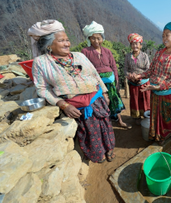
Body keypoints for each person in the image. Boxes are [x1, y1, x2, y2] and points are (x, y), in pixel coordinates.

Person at [29, 19, 116, 163]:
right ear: (49, 44)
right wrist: (63, 105)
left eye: (67, 40)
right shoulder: (41, 63)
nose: (67, 43)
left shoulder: (79, 56)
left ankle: (109, 147)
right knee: (90, 132)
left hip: (97, 99)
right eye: (61, 40)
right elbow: (42, 88)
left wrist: (105, 93)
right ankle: (98, 154)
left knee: (105, 125)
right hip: (77, 106)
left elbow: (95, 74)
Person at [129, 21, 171, 145]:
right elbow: (151, 70)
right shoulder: (159, 53)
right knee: (156, 115)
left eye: (167, 35)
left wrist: (157, 86)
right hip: (155, 91)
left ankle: (168, 134)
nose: (164, 38)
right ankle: (157, 135)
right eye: (163, 35)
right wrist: (140, 75)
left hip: (167, 92)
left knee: (167, 116)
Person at [81, 21, 131, 129]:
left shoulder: (107, 51)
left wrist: (117, 81)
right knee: (102, 102)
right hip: (97, 83)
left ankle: (119, 121)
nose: (96, 41)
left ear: (102, 38)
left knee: (115, 101)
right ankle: (106, 124)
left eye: (98, 38)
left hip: (111, 83)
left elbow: (113, 66)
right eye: (93, 38)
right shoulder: (85, 51)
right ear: (89, 39)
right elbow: (85, 68)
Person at [125, 33, 151, 125]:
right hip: (133, 83)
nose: (135, 46)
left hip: (144, 82)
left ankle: (145, 115)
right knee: (135, 100)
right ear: (130, 45)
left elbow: (148, 70)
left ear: (141, 45)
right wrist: (130, 76)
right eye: (133, 44)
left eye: (137, 43)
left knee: (145, 100)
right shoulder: (128, 56)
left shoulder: (144, 56)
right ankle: (136, 117)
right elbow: (125, 70)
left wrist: (139, 76)